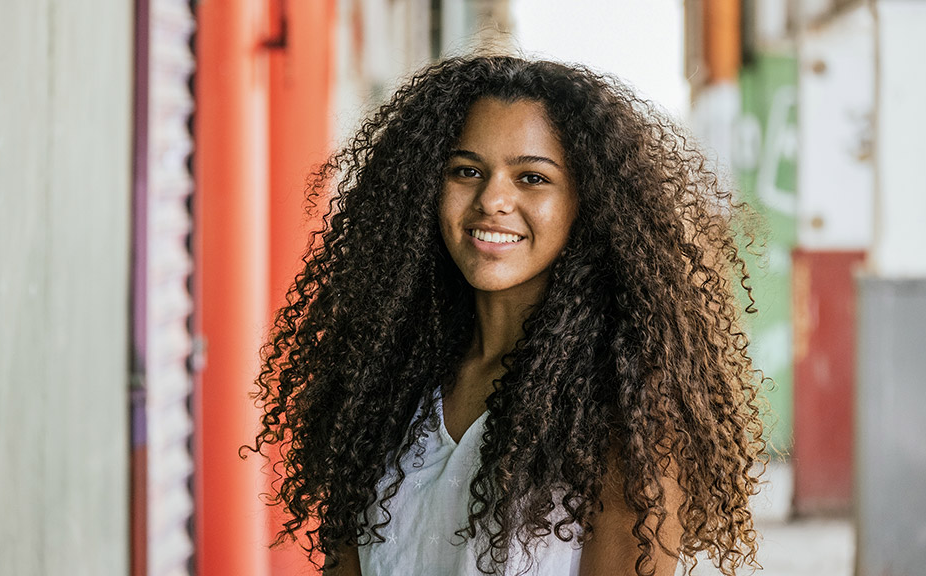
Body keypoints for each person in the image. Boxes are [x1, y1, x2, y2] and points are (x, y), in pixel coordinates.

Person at [244, 55, 767, 576]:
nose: (493, 199)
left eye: (532, 177)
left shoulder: (627, 410)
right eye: (466, 171)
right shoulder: (381, 381)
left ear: (587, 203)